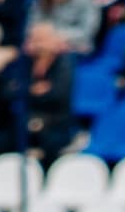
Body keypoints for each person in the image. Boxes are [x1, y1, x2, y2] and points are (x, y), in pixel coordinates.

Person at [5, 22, 74, 156]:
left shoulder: (64, 64)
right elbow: (8, 91)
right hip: (24, 121)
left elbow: (58, 95)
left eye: (42, 40)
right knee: (3, 143)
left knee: (51, 145)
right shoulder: (23, 63)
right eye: (34, 39)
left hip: (55, 124)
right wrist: (33, 90)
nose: (38, 45)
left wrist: (27, 91)